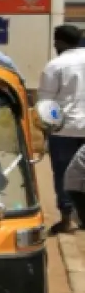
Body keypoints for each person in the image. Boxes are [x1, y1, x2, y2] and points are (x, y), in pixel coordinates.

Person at [39, 24, 85, 235]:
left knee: (64, 174)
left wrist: (51, 127)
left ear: (58, 42)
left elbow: (47, 104)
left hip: (65, 130)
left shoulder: (55, 65)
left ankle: (66, 218)